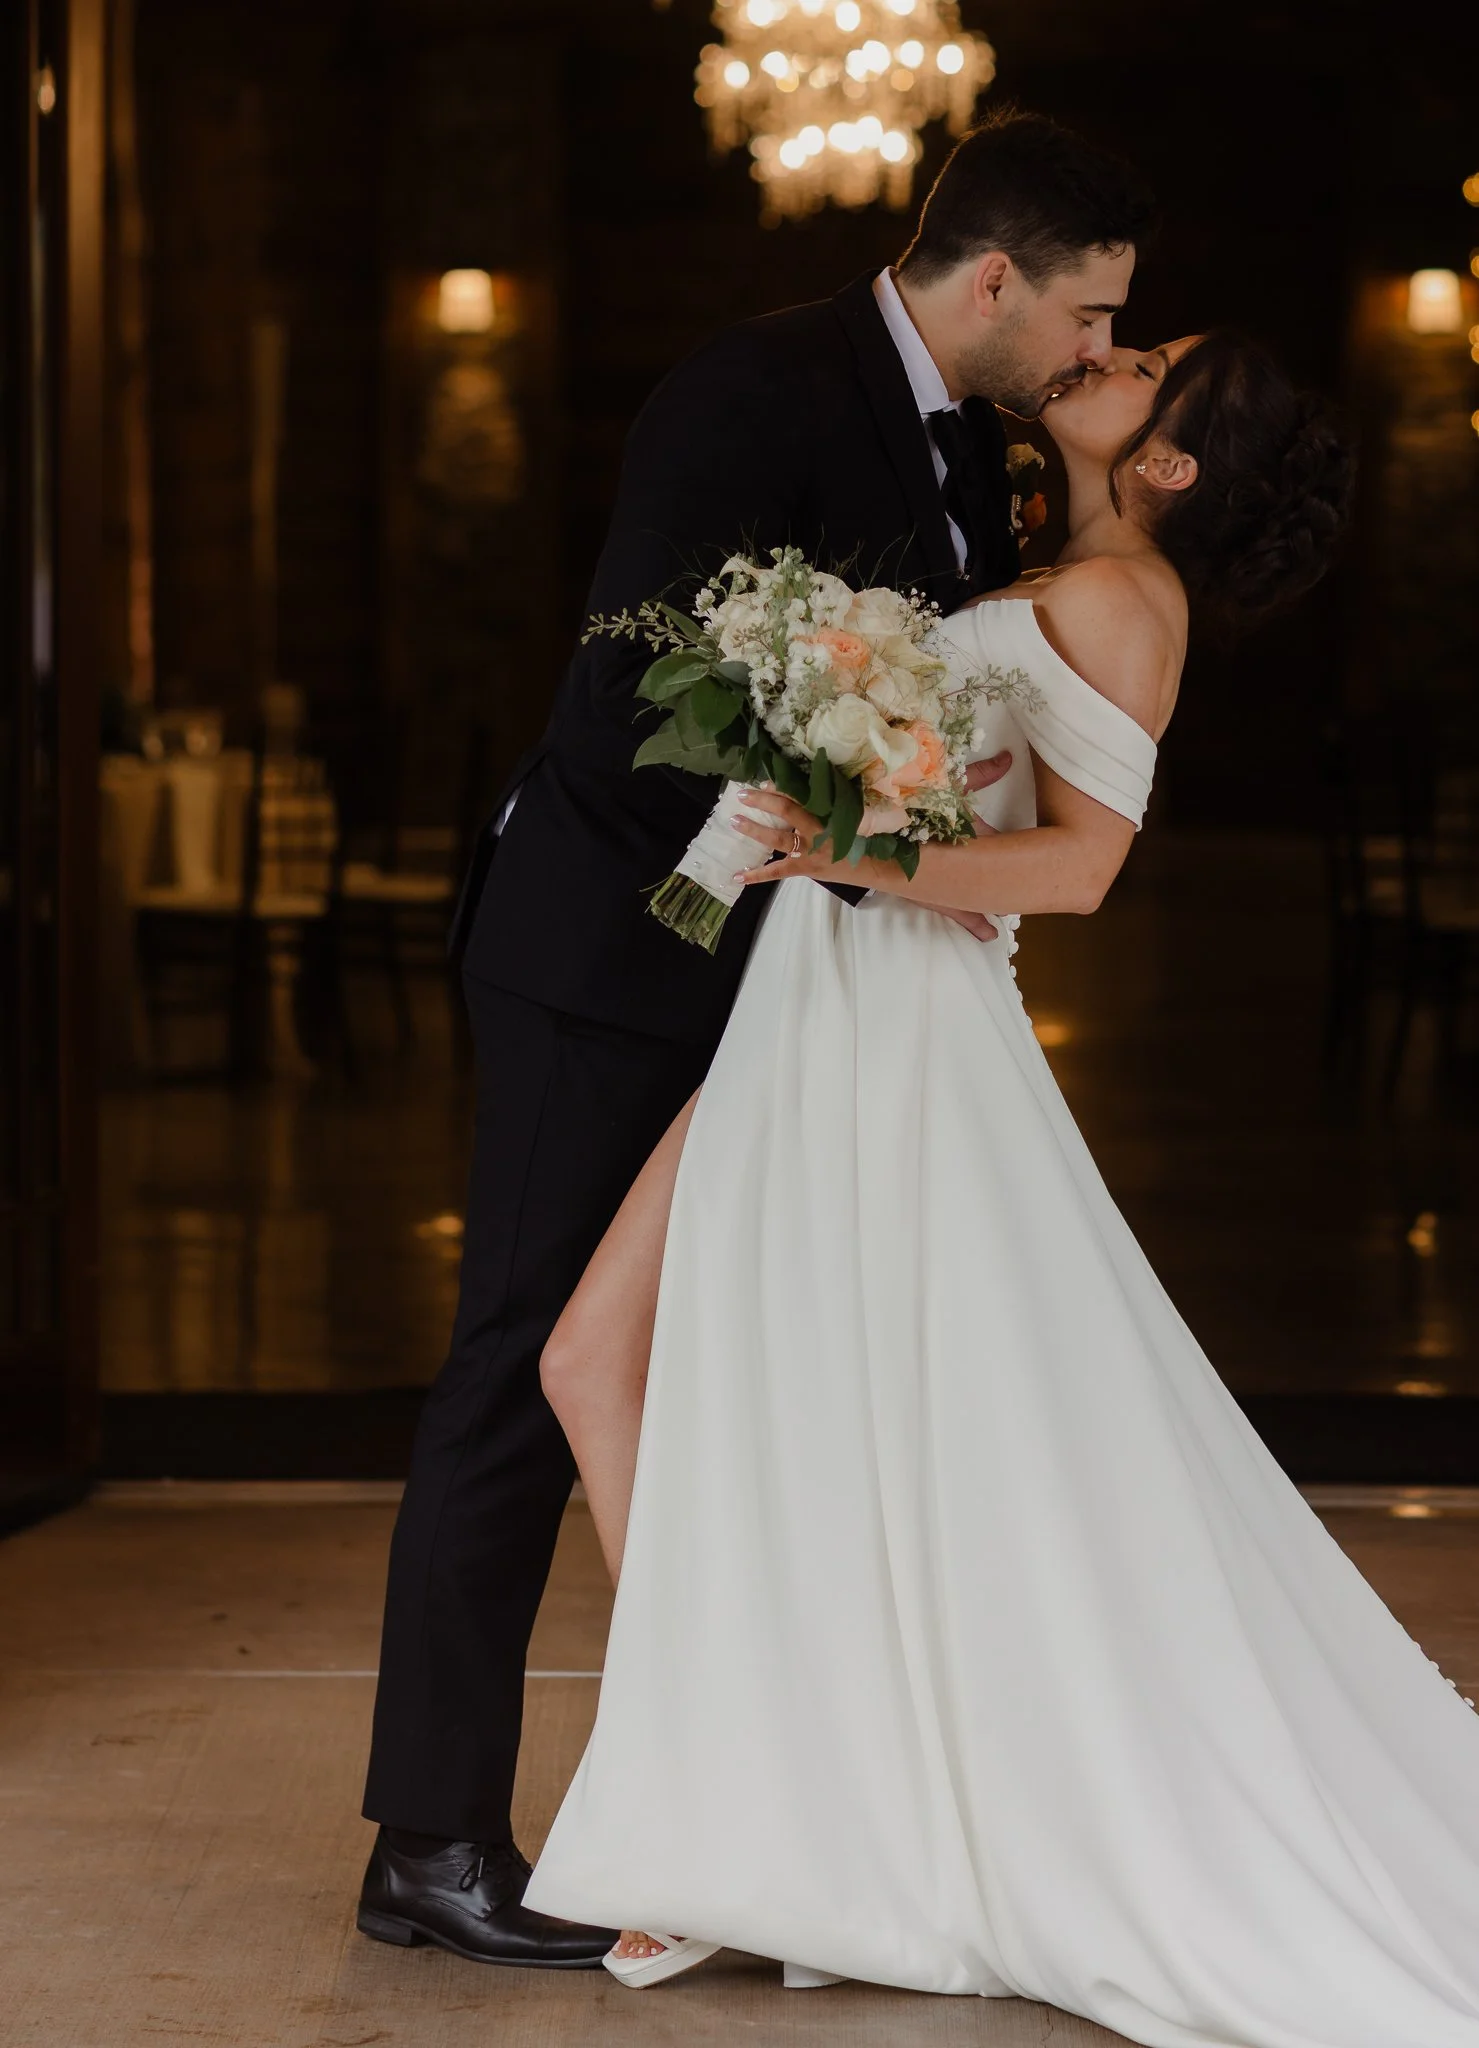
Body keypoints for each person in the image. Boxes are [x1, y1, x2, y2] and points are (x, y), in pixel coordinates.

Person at [523, 334, 1479, 2048]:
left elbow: (1084, 867)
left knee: (659, 1375)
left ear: (1171, 463)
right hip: (821, 999)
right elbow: (972, 792)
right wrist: (834, 773)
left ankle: (736, 1824)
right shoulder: (1048, 574)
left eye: (1155, 364)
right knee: (601, 1364)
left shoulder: (1122, 602)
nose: (1116, 348)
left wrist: (851, 845)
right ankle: (754, 1798)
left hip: (898, 1026)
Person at [357, 109, 1158, 1968]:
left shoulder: (999, 457)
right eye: (1086, 313)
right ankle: (432, 1840)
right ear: (990, 279)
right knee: (527, 1369)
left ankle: (758, 1811)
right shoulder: (750, 389)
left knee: (752, 1395)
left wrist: (904, 853)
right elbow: (637, 671)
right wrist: (855, 812)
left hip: (803, 985)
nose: (1096, 352)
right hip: (619, 957)